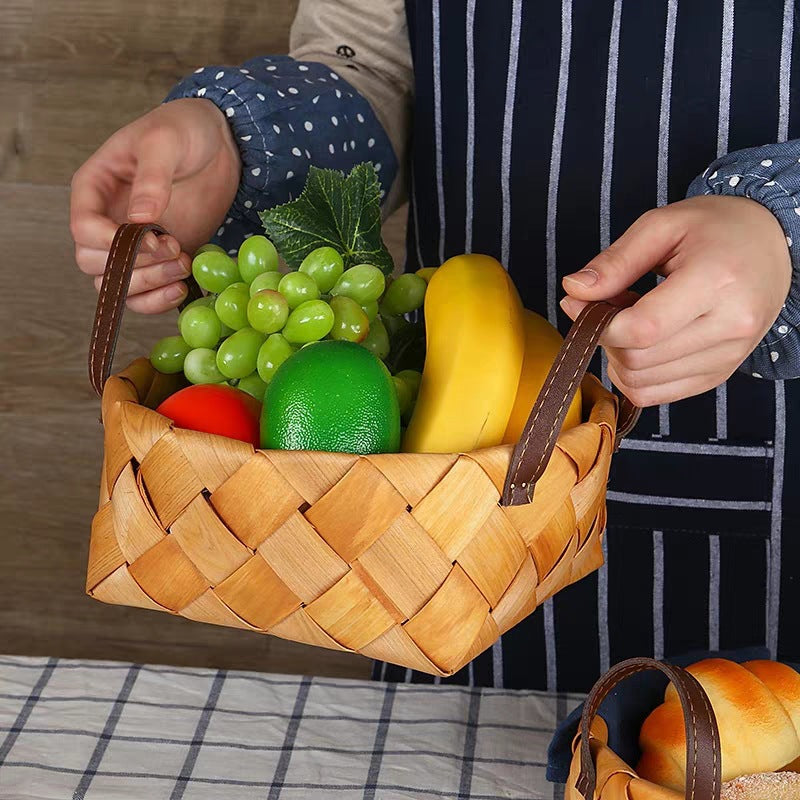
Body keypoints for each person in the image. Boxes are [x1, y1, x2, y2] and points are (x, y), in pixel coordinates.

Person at [70, 0, 800, 693]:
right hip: (431, 524)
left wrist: (783, 229)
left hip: (758, 490)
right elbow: (370, 64)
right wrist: (241, 142)